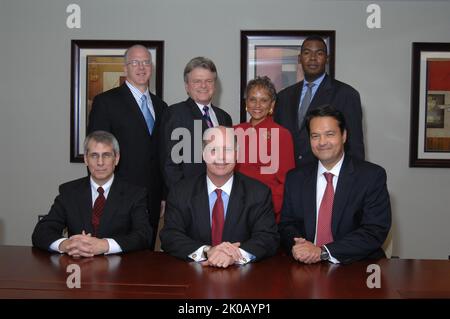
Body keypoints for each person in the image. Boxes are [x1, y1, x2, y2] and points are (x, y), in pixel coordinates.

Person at [279, 105, 391, 264]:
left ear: (344, 135)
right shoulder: (295, 178)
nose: (322, 142)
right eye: (315, 136)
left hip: (356, 266)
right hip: (306, 267)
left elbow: (374, 230)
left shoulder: (371, 176)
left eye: (329, 134)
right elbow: (286, 225)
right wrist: (299, 244)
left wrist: (323, 252)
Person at [160, 126, 279, 268]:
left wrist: (234, 255)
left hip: (244, 280)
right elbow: (170, 235)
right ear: (203, 154)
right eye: (213, 150)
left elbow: (268, 237)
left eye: (227, 150)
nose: (221, 157)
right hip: (192, 277)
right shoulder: (181, 192)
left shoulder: (258, 192)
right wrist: (208, 252)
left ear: (237, 154)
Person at [87, 44, 167, 250]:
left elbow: (163, 155)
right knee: (114, 256)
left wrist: (164, 195)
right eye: (135, 62)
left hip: (152, 197)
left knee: (145, 259)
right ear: (125, 68)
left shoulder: (161, 106)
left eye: (146, 62)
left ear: (152, 67)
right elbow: (97, 153)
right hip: (118, 196)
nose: (141, 67)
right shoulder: (106, 102)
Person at [32, 131, 153, 257]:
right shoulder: (69, 192)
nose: (100, 162)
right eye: (94, 156)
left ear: (116, 159)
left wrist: (105, 245)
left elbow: (144, 235)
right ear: (85, 159)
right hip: (77, 267)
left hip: (119, 270)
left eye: (106, 155)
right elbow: (41, 232)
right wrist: (67, 245)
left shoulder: (135, 194)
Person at [275, 35, 365, 167]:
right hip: (288, 178)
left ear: (327, 59)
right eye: (307, 53)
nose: (312, 58)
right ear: (299, 59)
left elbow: (354, 146)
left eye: (319, 53)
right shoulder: (284, 96)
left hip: (327, 176)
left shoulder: (346, 94)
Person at [160, 57, 232, 191]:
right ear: (187, 86)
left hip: (219, 195)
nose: (203, 86)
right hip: (187, 198)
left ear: (215, 85)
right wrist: (182, 197)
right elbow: (170, 164)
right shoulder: (175, 114)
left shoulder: (224, 117)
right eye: (197, 81)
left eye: (208, 81)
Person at [234, 76, 295, 223]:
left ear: (272, 104)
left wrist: (266, 208)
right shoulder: (234, 131)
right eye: (252, 99)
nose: (257, 105)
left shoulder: (282, 134)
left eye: (264, 100)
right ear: (246, 103)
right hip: (234, 209)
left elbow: (287, 182)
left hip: (266, 210)